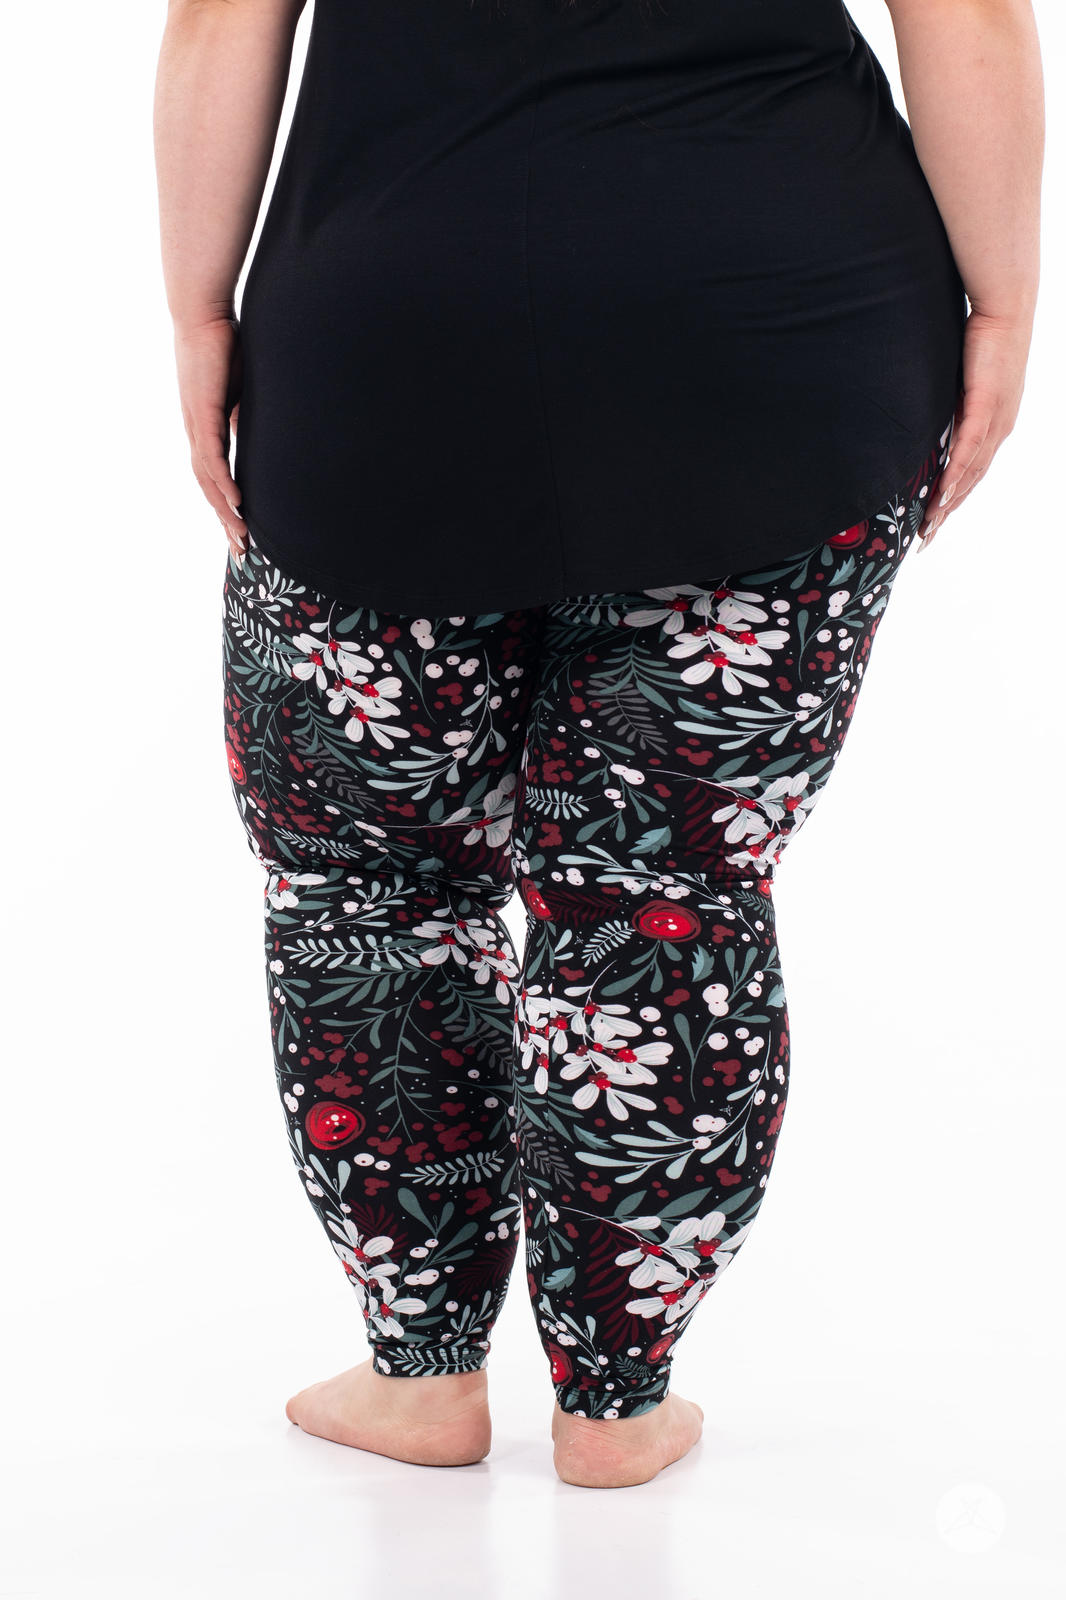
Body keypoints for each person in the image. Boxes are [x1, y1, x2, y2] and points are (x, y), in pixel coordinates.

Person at [153, 0, 1043, 1488]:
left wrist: (200, 313)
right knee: (664, 892)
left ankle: (421, 1374)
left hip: (388, 324)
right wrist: (1003, 304)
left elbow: (216, 20)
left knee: (370, 891)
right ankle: (617, 1404)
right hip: (775, 321)